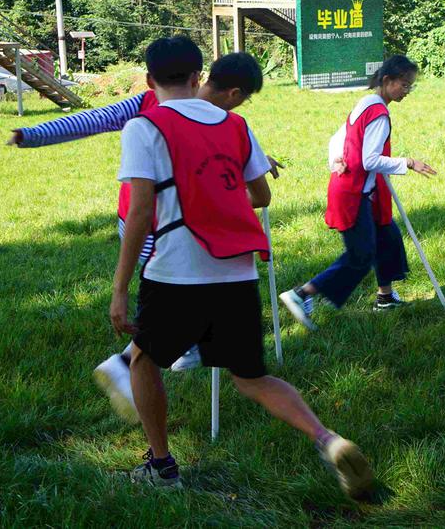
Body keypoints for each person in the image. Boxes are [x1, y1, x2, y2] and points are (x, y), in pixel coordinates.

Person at [109, 36, 373, 497]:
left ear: (150, 81)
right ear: (198, 75)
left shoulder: (144, 126)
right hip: (237, 272)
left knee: (144, 359)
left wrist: (119, 288)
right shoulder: (236, 125)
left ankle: (162, 466)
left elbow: (140, 211)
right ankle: (327, 439)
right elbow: (261, 195)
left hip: (175, 272)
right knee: (251, 377)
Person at [7, 51, 282, 421]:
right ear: (229, 92)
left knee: (189, 299)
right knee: (183, 298)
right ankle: (135, 360)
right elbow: (94, 119)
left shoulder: (224, 122)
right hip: (149, 223)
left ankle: (169, 350)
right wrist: (33, 134)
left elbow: (220, 157)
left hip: (183, 227)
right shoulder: (148, 105)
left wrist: (259, 160)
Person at [279, 55, 435, 328]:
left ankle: (385, 298)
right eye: (404, 84)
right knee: (360, 256)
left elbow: (338, 137)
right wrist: (408, 162)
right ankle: (302, 294)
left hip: (362, 189)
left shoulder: (367, 103)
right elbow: (369, 160)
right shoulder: (379, 113)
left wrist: (335, 158)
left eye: (410, 86)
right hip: (352, 193)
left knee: (387, 235)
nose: (407, 91)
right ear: (387, 80)